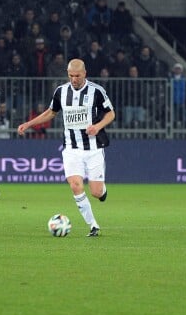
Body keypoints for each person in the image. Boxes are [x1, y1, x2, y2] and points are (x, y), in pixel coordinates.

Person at [17, 59, 115, 237]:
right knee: (76, 186)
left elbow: (111, 113)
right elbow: (51, 112)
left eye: (77, 76)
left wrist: (98, 126)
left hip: (93, 148)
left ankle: (102, 191)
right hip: (71, 148)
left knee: (96, 192)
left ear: (84, 73)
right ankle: (93, 225)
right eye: (70, 76)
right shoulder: (61, 92)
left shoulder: (97, 91)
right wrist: (29, 124)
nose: (74, 79)